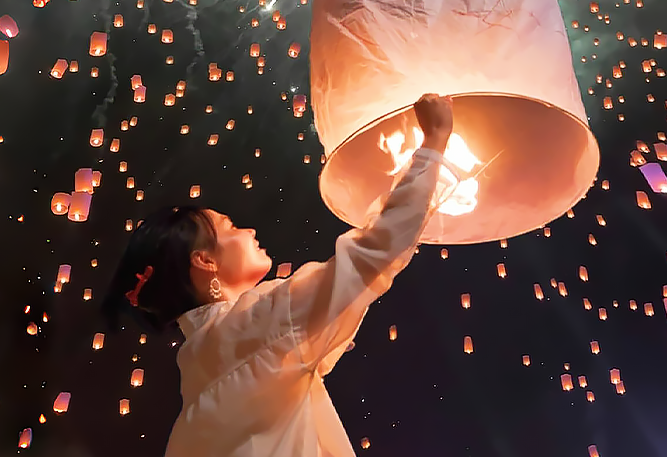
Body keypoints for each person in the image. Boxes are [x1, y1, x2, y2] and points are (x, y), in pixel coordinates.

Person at [100, 93, 454, 457]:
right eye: (230, 226)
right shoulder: (249, 328)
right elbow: (367, 258)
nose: (248, 231)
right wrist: (433, 144)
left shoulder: (206, 363)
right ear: (204, 261)